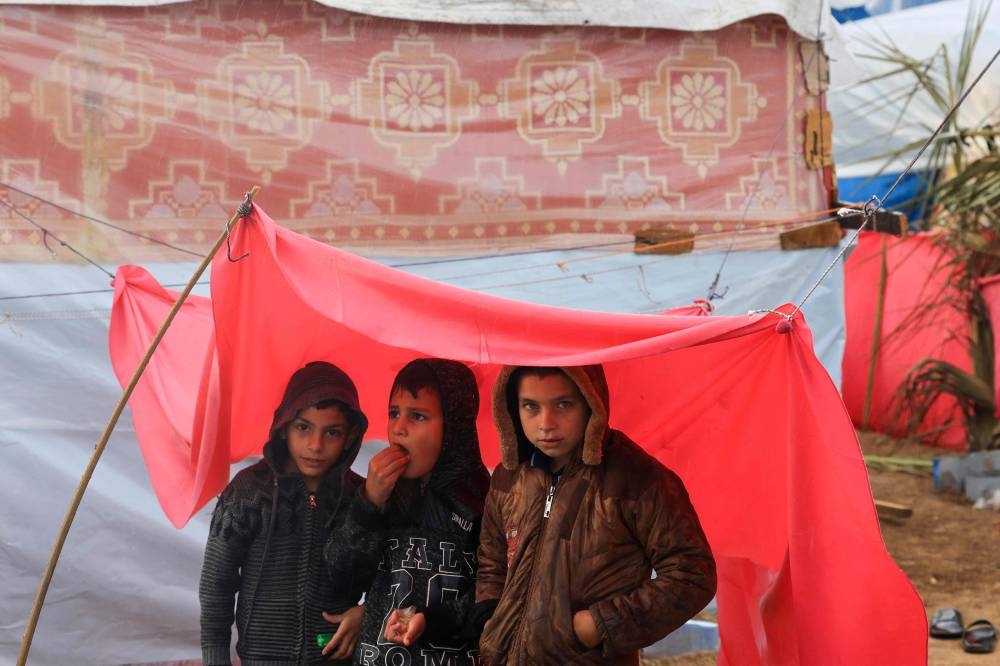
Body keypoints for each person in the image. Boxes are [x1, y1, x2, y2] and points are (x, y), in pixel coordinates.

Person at [474, 365, 717, 665]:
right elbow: (491, 559)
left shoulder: (639, 478)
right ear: (512, 407)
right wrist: (490, 616)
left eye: (563, 404)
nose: (546, 423)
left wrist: (600, 624)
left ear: (592, 401)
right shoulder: (508, 475)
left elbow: (692, 575)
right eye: (531, 406)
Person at [199, 361, 368, 665]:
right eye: (303, 428)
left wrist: (366, 613)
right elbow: (216, 585)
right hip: (260, 659)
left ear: (351, 435)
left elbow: (388, 575)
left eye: (332, 432)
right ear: (283, 427)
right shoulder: (248, 493)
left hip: (334, 658)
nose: (315, 445)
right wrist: (215, 658)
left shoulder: (362, 499)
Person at [326, 358, 490, 666]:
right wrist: (368, 505)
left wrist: (431, 619)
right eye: (393, 413)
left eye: (417, 416)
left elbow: (492, 600)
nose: (398, 429)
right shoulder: (379, 494)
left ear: (454, 427)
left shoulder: (483, 499)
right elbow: (338, 582)